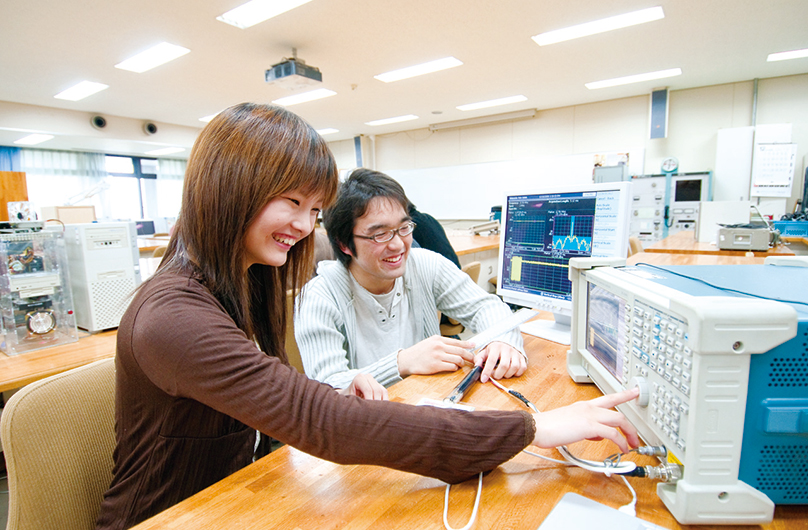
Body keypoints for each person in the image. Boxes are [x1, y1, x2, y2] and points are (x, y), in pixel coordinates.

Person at [95, 103, 640, 530]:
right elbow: (321, 419)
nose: (304, 226)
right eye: (292, 202)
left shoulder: (242, 281)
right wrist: (529, 428)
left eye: (313, 210)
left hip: (235, 497)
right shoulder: (175, 314)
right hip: (169, 518)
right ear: (231, 188)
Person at [294, 168, 524, 389]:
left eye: (404, 228)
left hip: (430, 404)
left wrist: (502, 342)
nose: (398, 245)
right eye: (380, 234)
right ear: (344, 244)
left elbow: (486, 306)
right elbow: (327, 387)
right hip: (367, 422)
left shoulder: (424, 264)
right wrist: (402, 363)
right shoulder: (319, 297)